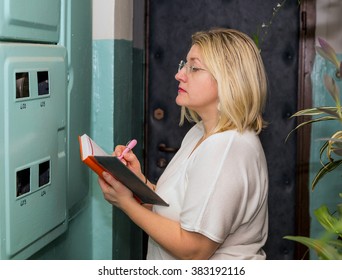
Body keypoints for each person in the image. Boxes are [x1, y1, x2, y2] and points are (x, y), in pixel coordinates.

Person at [98, 28, 269, 260]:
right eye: (184, 64)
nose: (180, 74)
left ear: (228, 79)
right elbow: (177, 211)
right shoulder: (199, 132)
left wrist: (127, 203)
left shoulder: (227, 148)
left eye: (194, 67)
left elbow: (194, 250)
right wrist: (136, 181)